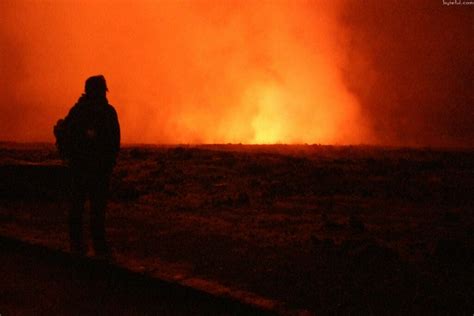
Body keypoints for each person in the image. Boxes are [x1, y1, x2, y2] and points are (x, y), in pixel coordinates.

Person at [54, 75, 120, 258]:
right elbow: (114, 142)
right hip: (97, 170)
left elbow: (65, 131)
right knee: (97, 210)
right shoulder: (106, 112)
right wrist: (109, 164)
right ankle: (99, 248)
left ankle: (76, 246)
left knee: (77, 207)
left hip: (80, 168)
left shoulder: (78, 111)